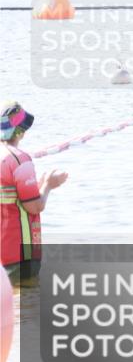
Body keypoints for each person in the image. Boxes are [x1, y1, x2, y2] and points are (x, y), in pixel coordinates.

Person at [1, 102, 69, 284]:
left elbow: (10, 196)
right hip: (19, 256)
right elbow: (35, 206)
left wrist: (36, 186)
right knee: (26, 306)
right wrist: (48, 185)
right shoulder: (19, 160)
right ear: (20, 131)